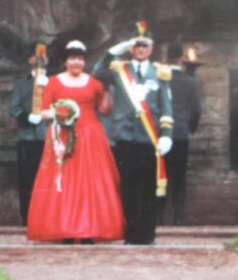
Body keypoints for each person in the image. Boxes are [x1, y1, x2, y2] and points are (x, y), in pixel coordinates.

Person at [27, 40, 125, 242]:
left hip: (90, 136)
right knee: (63, 181)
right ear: (65, 62)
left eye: (80, 59)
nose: (76, 62)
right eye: (72, 58)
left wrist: (107, 89)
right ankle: (65, 230)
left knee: (90, 182)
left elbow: (104, 110)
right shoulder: (54, 82)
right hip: (62, 137)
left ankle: (90, 230)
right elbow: (43, 111)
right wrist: (60, 114)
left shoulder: (94, 82)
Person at [93, 21, 174, 245]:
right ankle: (130, 234)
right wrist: (112, 52)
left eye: (144, 45)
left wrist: (166, 134)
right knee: (128, 186)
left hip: (149, 137)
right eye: (136, 45)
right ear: (130, 48)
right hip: (124, 137)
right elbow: (97, 72)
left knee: (148, 187)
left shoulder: (160, 73)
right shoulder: (119, 70)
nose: (140, 49)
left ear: (151, 48)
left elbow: (166, 107)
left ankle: (147, 235)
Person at [160, 40, 203, 225]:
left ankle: (159, 217)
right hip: (180, 133)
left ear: (166, 57)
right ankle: (178, 217)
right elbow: (197, 110)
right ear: (181, 59)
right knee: (179, 176)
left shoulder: (160, 79)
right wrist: (190, 128)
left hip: (161, 133)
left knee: (160, 175)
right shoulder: (191, 82)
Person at [9, 43, 50, 224]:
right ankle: (28, 218)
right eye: (37, 55)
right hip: (27, 137)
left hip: (48, 137)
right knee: (27, 179)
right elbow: (14, 107)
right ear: (30, 59)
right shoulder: (21, 83)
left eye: (44, 55)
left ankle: (48, 218)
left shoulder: (54, 81)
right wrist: (26, 117)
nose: (40, 59)